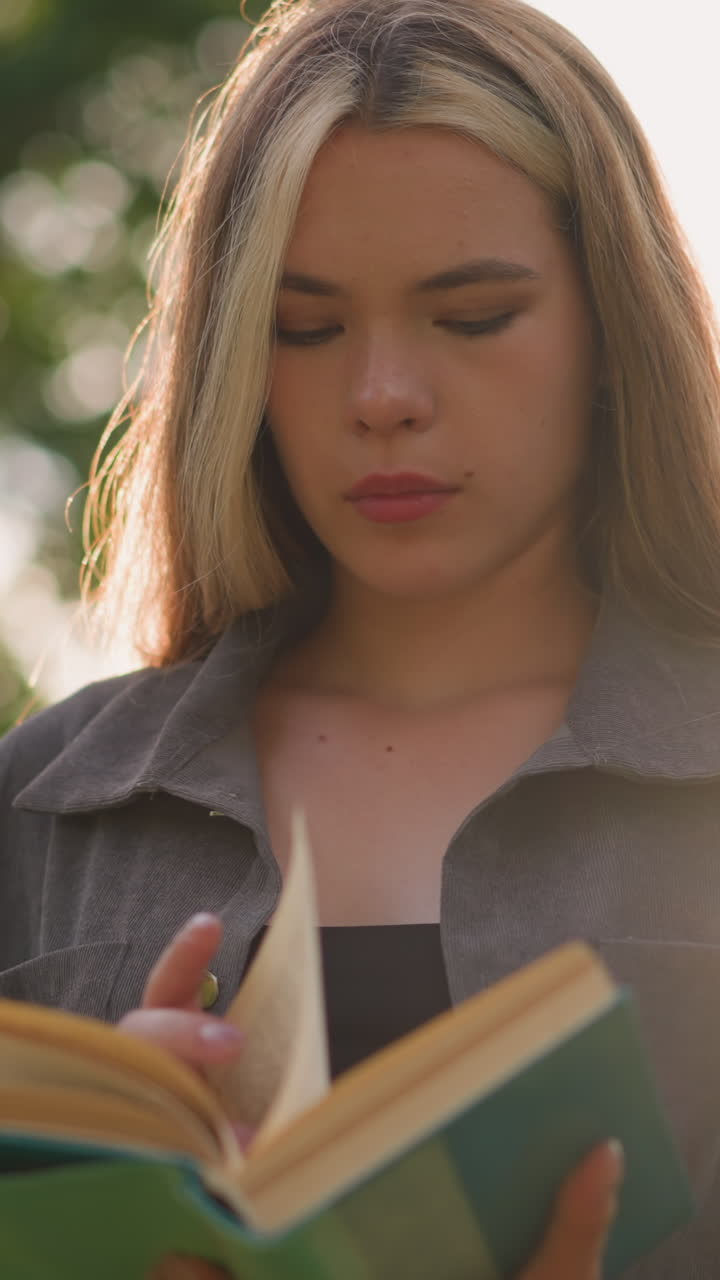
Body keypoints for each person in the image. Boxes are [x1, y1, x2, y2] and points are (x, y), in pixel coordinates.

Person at [2, 0, 719, 1274]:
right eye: (306, 329)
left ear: (612, 328)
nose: (383, 397)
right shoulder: (42, 811)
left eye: (473, 315)